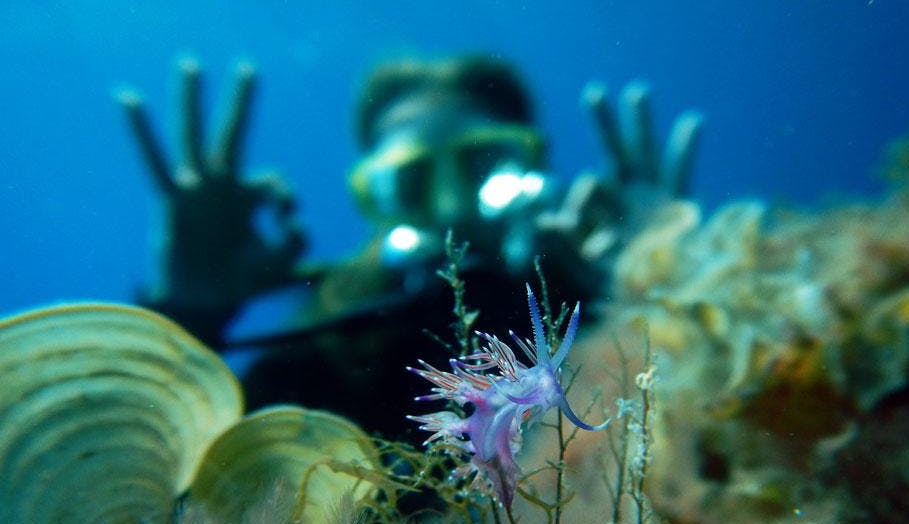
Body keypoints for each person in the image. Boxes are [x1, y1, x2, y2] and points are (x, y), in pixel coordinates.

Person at [117, 54, 703, 437]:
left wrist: (655, 280)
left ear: (532, 172)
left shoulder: (598, 302)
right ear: (374, 198)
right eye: (414, 181)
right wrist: (190, 315)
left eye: (480, 166)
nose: (449, 208)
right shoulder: (319, 356)